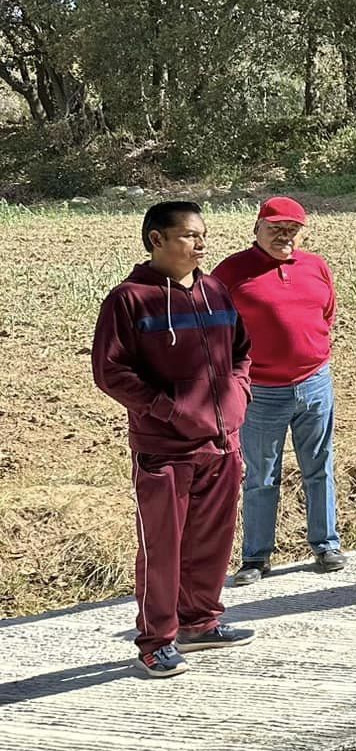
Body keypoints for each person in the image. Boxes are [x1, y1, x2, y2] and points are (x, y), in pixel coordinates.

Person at [91, 201, 255, 678]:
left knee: (213, 540)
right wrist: (170, 411)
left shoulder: (216, 292)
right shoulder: (129, 299)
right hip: (165, 449)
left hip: (224, 443)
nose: (200, 243)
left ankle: (200, 623)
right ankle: (155, 642)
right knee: (163, 548)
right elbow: (111, 371)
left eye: (203, 234)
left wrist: (239, 395)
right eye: (188, 235)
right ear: (156, 239)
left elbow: (242, 352)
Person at [213, 195, 343, 586]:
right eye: (275, 229)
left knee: (319, 467)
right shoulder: (232, 272)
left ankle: (326, 544)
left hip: (315, 383)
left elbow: (327, 314)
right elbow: (216, 330)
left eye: (292, 230)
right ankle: (256, 557)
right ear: (257, 228)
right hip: (262, 392)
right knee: (261, 475)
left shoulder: (316, 266)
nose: (284, 236)